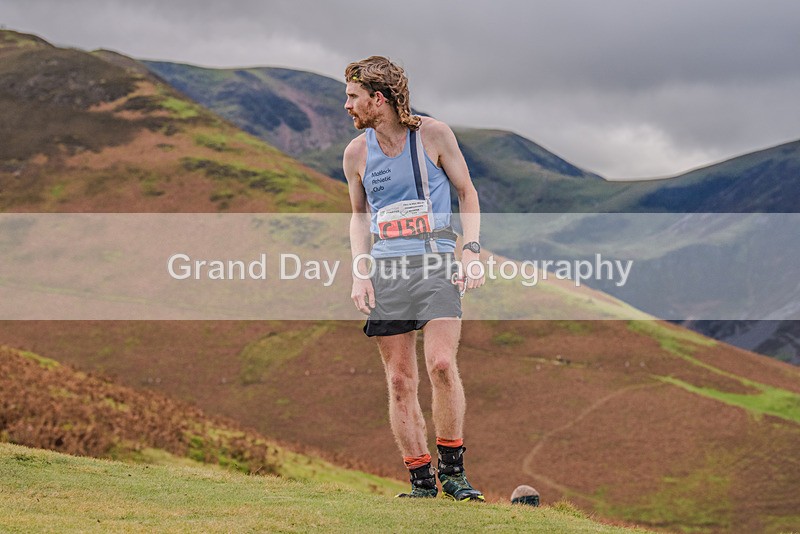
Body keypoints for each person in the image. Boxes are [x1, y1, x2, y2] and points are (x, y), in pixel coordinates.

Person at [342, 56, 485, 501]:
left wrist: (472, 251)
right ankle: (421, 481)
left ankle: (454, 473)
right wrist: (360, 273)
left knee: (441, 364)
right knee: (400, 380)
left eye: (353, 96)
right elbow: (357, 218)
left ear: (377, 99)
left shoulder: (433, 135)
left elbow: (467, 192)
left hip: (437, 264)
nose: (347, 105)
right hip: (387, 272)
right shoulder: (356, 153)